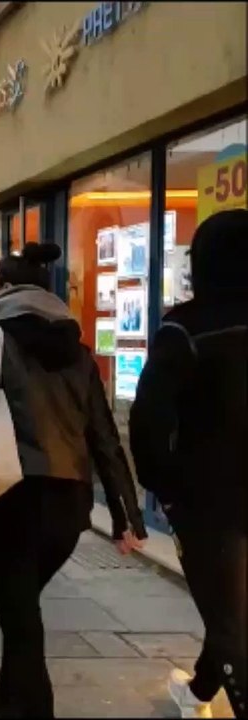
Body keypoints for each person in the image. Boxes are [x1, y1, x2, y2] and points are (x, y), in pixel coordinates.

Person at [0, 242, 148, 719]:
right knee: (20, 606)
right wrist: (126, 515)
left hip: (5, 493)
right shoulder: (77, 350)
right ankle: (7, 690)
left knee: (20, 615)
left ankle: (31, 705)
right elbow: (103, 435)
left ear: (6, 290)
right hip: (69, 502)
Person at [129, 209, 247, 720]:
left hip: (210, 501)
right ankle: (199, 690)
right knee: (231, 612)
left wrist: (166, 491)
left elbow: (149, 419)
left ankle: (213, 690)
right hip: (214, 498)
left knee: (228, 620)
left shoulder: (185, 329)